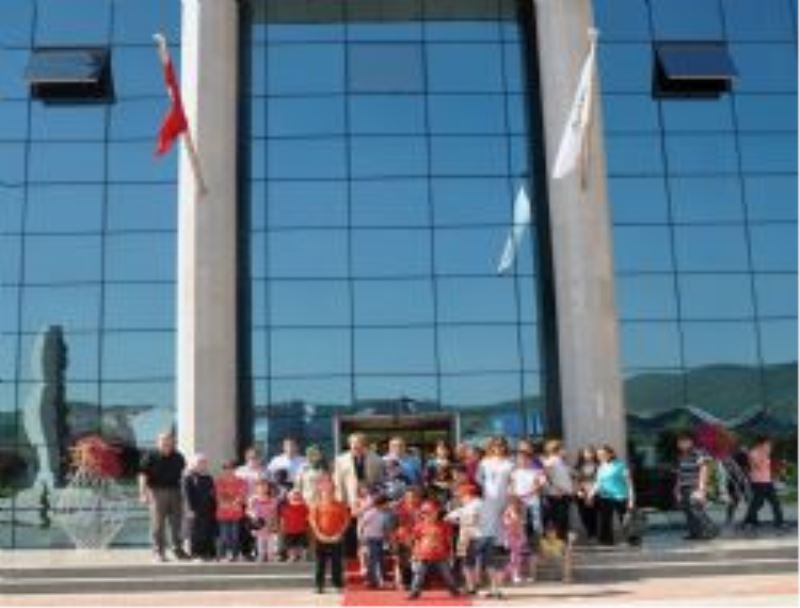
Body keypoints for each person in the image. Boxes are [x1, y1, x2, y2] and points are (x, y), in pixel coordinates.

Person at [139, 432, 189, 562]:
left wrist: (185, 495)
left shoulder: (178, 457)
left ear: (173, 442)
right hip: (156, 492)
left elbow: (183, 476)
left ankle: (178, 549)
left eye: (169, 441)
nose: (166, 443)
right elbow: (143, 475)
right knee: (158, 524)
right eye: (163, 441)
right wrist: (143, 493)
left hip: (175, 492)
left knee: (176, 523)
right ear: (158, 442)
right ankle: (158, 552)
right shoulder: (150, 456)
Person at [474, 436, 514, 599]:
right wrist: (488, 491)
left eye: (501, 445)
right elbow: (478, 479)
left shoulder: (510, 463)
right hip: (489, 505)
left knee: (502, 544)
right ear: (491, 447)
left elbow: (513, 484)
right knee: (489, 543)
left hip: (506, 505)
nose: (499, 448)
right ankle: (492, 586)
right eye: (496, 445)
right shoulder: (484, 462)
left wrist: (511, 505)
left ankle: (496, 586)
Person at [334, 433, 384, 556]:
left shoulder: (377, 459)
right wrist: (340, 501)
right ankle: (351, 556)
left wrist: (377, 500)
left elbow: (380, 481)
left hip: (369, 501)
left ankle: (370, 556)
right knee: (350, 528)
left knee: (368, 529)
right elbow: (338, 481)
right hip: (349, 499)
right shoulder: (340, 460)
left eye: (359, 442)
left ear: (364, 444)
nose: (356, 445)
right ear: (349, 444)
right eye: (353, 443)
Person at [407, 500, 460, 601]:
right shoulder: (419, 525)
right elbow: (415, 540)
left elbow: (449, 540)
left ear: (436, 513)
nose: (427, 515)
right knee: (419, 574)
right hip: (423, 554)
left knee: (447, 574)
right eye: (424, 513)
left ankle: (454, 590)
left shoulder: (445, 525)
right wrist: (414, 554)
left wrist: (451, 554)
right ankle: (414, 592)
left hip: (441, 555)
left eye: (430, 513)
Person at [675, 433, 718, 541]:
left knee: (696, 510)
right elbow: (680, 473)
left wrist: (701, 489)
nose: (680, 444)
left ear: (690, 442)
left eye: (683, 442)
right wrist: (677, 488)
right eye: (679, 442)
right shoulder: (682, 456)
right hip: (684, 486)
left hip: (694, 486)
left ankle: (711, 529)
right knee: (688, 511)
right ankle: (694, 533)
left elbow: (703, 470)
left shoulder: (698, 453)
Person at [309, 484, 350, 594]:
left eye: (330, 492)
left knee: (336, 563)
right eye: (326, 492)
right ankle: (319, 586)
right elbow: (313, 521)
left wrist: (339, 534)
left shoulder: (340, 505)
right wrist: (319, 534)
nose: (328, 494)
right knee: (320, 564)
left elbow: (346, 521)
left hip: (336, 538)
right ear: (321, 493)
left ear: (334, 493)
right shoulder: (317, 506)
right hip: (320, 539)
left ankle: (337, 585)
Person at [589, 445, 634, 546]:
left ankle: (630, 540)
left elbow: (629, 483)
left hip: (620, 496)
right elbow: (598, 483)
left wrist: (631, 499)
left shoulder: (621, 465)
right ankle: (607, 541)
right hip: (605, 497)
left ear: (610, 454)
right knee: (605, 520)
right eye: (598, 455)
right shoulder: (601, 467)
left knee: (625, 520)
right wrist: (591, 493)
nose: (600, 456)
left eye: (602, 454)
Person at [444, 483, 483, 595]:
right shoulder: (468, 506)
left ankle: (474, 585)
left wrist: (458, 520)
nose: (460, 498)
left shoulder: (476, 505)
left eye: (462, 496)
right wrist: (457, 520)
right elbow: (447, 518)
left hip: (474, 536)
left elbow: (470, 519)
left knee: (471, 562)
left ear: (469, 495)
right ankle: (472, 586)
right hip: (471, 536)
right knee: (469, 562)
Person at [743, 436, 785, 530]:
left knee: (775, 502)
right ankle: (748, 521)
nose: (769, 446)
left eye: (769, 444)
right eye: (767, 444)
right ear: (760, 444)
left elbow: (767, 468)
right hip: (758, 481)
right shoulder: (753, 453)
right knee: (757, 503)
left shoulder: (765, 453)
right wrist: (764, 455)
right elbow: (758, 466)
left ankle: (779, 522)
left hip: (767, 481)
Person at [510, 443, 545, 548]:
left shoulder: (536, 471)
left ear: (530, 460)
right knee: (522, 522)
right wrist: (514, 497)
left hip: (533, 500)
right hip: (520, 501)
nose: (523, 461)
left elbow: (540, 484)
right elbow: (512, 486)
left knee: (536, 522)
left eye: (525, 459)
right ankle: (524, 543)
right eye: (520, 459)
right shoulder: (514, 472)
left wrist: (530, 492)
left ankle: (538, 541)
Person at [182, 453, 216, 561]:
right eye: (200, 462)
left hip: (208, 509)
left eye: (204, 462)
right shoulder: (188, 478)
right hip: (195, 509)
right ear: (193, 464)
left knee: (207, 531)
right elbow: (186, 495)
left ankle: (208, 553)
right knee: (195, 532)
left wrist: (214, 507)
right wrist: (190, 509)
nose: (203, 464)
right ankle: (196, 554)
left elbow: (212, 494)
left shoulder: (208, 478)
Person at [542, 439, 574, 540]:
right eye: (562, 449)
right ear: (556, 450)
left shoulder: (561, 461)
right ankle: (558, 540)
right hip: (557, 494)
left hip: (565, 493)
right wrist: (557, 489)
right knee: (559, 519)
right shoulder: (551, 461)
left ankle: (562, 540)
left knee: (563, 519)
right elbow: (546, 476)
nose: (565, 451)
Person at [215, 460, 247, 561]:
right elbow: (219, 496)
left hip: (236, 513)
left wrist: (233, 502)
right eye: (226, 468)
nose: (229, 470)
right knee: (224, 536)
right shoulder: (219, 481)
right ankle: (223, 555)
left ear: (235, 469)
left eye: (231, 468)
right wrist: (230, 503)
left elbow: (241, 495)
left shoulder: (241, 481)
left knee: (235, 536)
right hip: (223, 514)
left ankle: (234, 555)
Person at [358, 493, 391, 589]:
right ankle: (378, 581)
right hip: (370, 539)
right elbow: (362, 524)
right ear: (382, 503)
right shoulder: (371, 513)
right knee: (374, 561)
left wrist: (386, 539)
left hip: (379, 539)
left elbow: (384, 528)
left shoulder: (384, 513)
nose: (388, 505)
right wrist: (361, 538)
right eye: (387, 503)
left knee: (378, 560)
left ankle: (372, 581)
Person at [393, 486, 422, 591]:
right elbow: (394, 525)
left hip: (418, 538)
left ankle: (417, 582)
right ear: (405, 497)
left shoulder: (421, 508)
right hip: (402, 538)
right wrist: (394, 540)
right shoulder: (399, 509)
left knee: (417, 561)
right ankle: (404, 582)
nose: (412, 498)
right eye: (409, 496)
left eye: (414, 496)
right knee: (403, 562)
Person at [247, 479, 279, 562]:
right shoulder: (253, 499)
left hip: (270, 523)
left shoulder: (273, 499)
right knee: (260, 543)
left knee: (270, 544)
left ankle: (270, 558)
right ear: (256, 488)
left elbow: (275, 513)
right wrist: (253, 516)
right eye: (260, 486)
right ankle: (261, 557)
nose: (263, 488)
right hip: (258, 524)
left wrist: (274, 524)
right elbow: (248, 511)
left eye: (265, 486)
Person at [574, 446, 599, 541]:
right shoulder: (578, 466)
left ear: (593, 454)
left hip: (594, 492)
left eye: (590, 453)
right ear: (582, 454)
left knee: (593, 514)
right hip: (581, 493)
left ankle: (593, 534)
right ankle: (589, 531)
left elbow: (599, 481)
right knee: (583, 514)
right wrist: (579, 491)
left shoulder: (598, 466)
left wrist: (591, 494)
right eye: (586, 453)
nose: (588, 455)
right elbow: (575, 480)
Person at [503, 496, 529, 584]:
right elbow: (508, 523)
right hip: (511, 536)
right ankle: (513, 575)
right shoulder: (509, 511)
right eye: (516, 503)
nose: (518, 505)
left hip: (518, 536)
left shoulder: (518, 512)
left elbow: (521, 525)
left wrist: (523, 536)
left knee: (518, 557)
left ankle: (513, 574)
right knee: (514, 557)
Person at [281, 489, 310, 562]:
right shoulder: (286, 507)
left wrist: (307, 525)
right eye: (293, 495)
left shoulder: (304, 506)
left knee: (302, 544)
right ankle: (292, 556)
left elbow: (308, 516)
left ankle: (302, 556)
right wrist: (283, 526)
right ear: (289, 497)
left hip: (301, 529)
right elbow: (283, 518)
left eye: (297, 494)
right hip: (289, 530)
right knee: (290, 545)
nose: (295, 496)